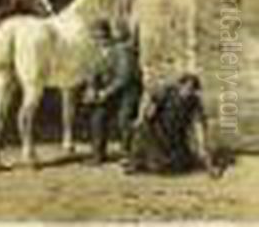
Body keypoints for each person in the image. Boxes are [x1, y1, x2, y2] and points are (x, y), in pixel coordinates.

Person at [122, 73, 222, 178]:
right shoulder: (167, 92)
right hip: (157, 132)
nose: (188, 92)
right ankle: (135, 162)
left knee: (179, 166)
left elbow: (199, 126)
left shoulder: (194, 102)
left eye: (192, 90)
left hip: (175, 137)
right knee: (143, 133)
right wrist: (141, 116)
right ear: (180, 86)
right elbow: (149, 97)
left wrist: (203, 148)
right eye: (187, 88)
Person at [83, 19, 142, 165]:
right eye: (95, 37)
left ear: (108, 35)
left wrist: (105, 93)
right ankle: (98, 154)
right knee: (97, 116)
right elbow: (92, 74)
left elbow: (124, 77)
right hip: (110, 93)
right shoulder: (96, 54)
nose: (99, 40)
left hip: (127, 92)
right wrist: (91, 89)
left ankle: (127, 154)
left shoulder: (121, 50)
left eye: (101, 36)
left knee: (124, 118)